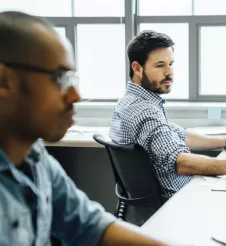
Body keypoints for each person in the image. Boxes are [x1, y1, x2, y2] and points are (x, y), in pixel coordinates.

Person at [0, 11, 168, 246]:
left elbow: (90, 226)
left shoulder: (34, 158)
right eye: (59, 78)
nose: (75, 96)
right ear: (4, 81)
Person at [110, 30, 226, 197]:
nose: (169, 72)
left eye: (170, 64)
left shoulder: (129, 101)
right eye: (160, 65)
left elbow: (181, 136)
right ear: (137, 68)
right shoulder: (144, 111)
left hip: (166, 198)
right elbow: (179, 161)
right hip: (175, 200)